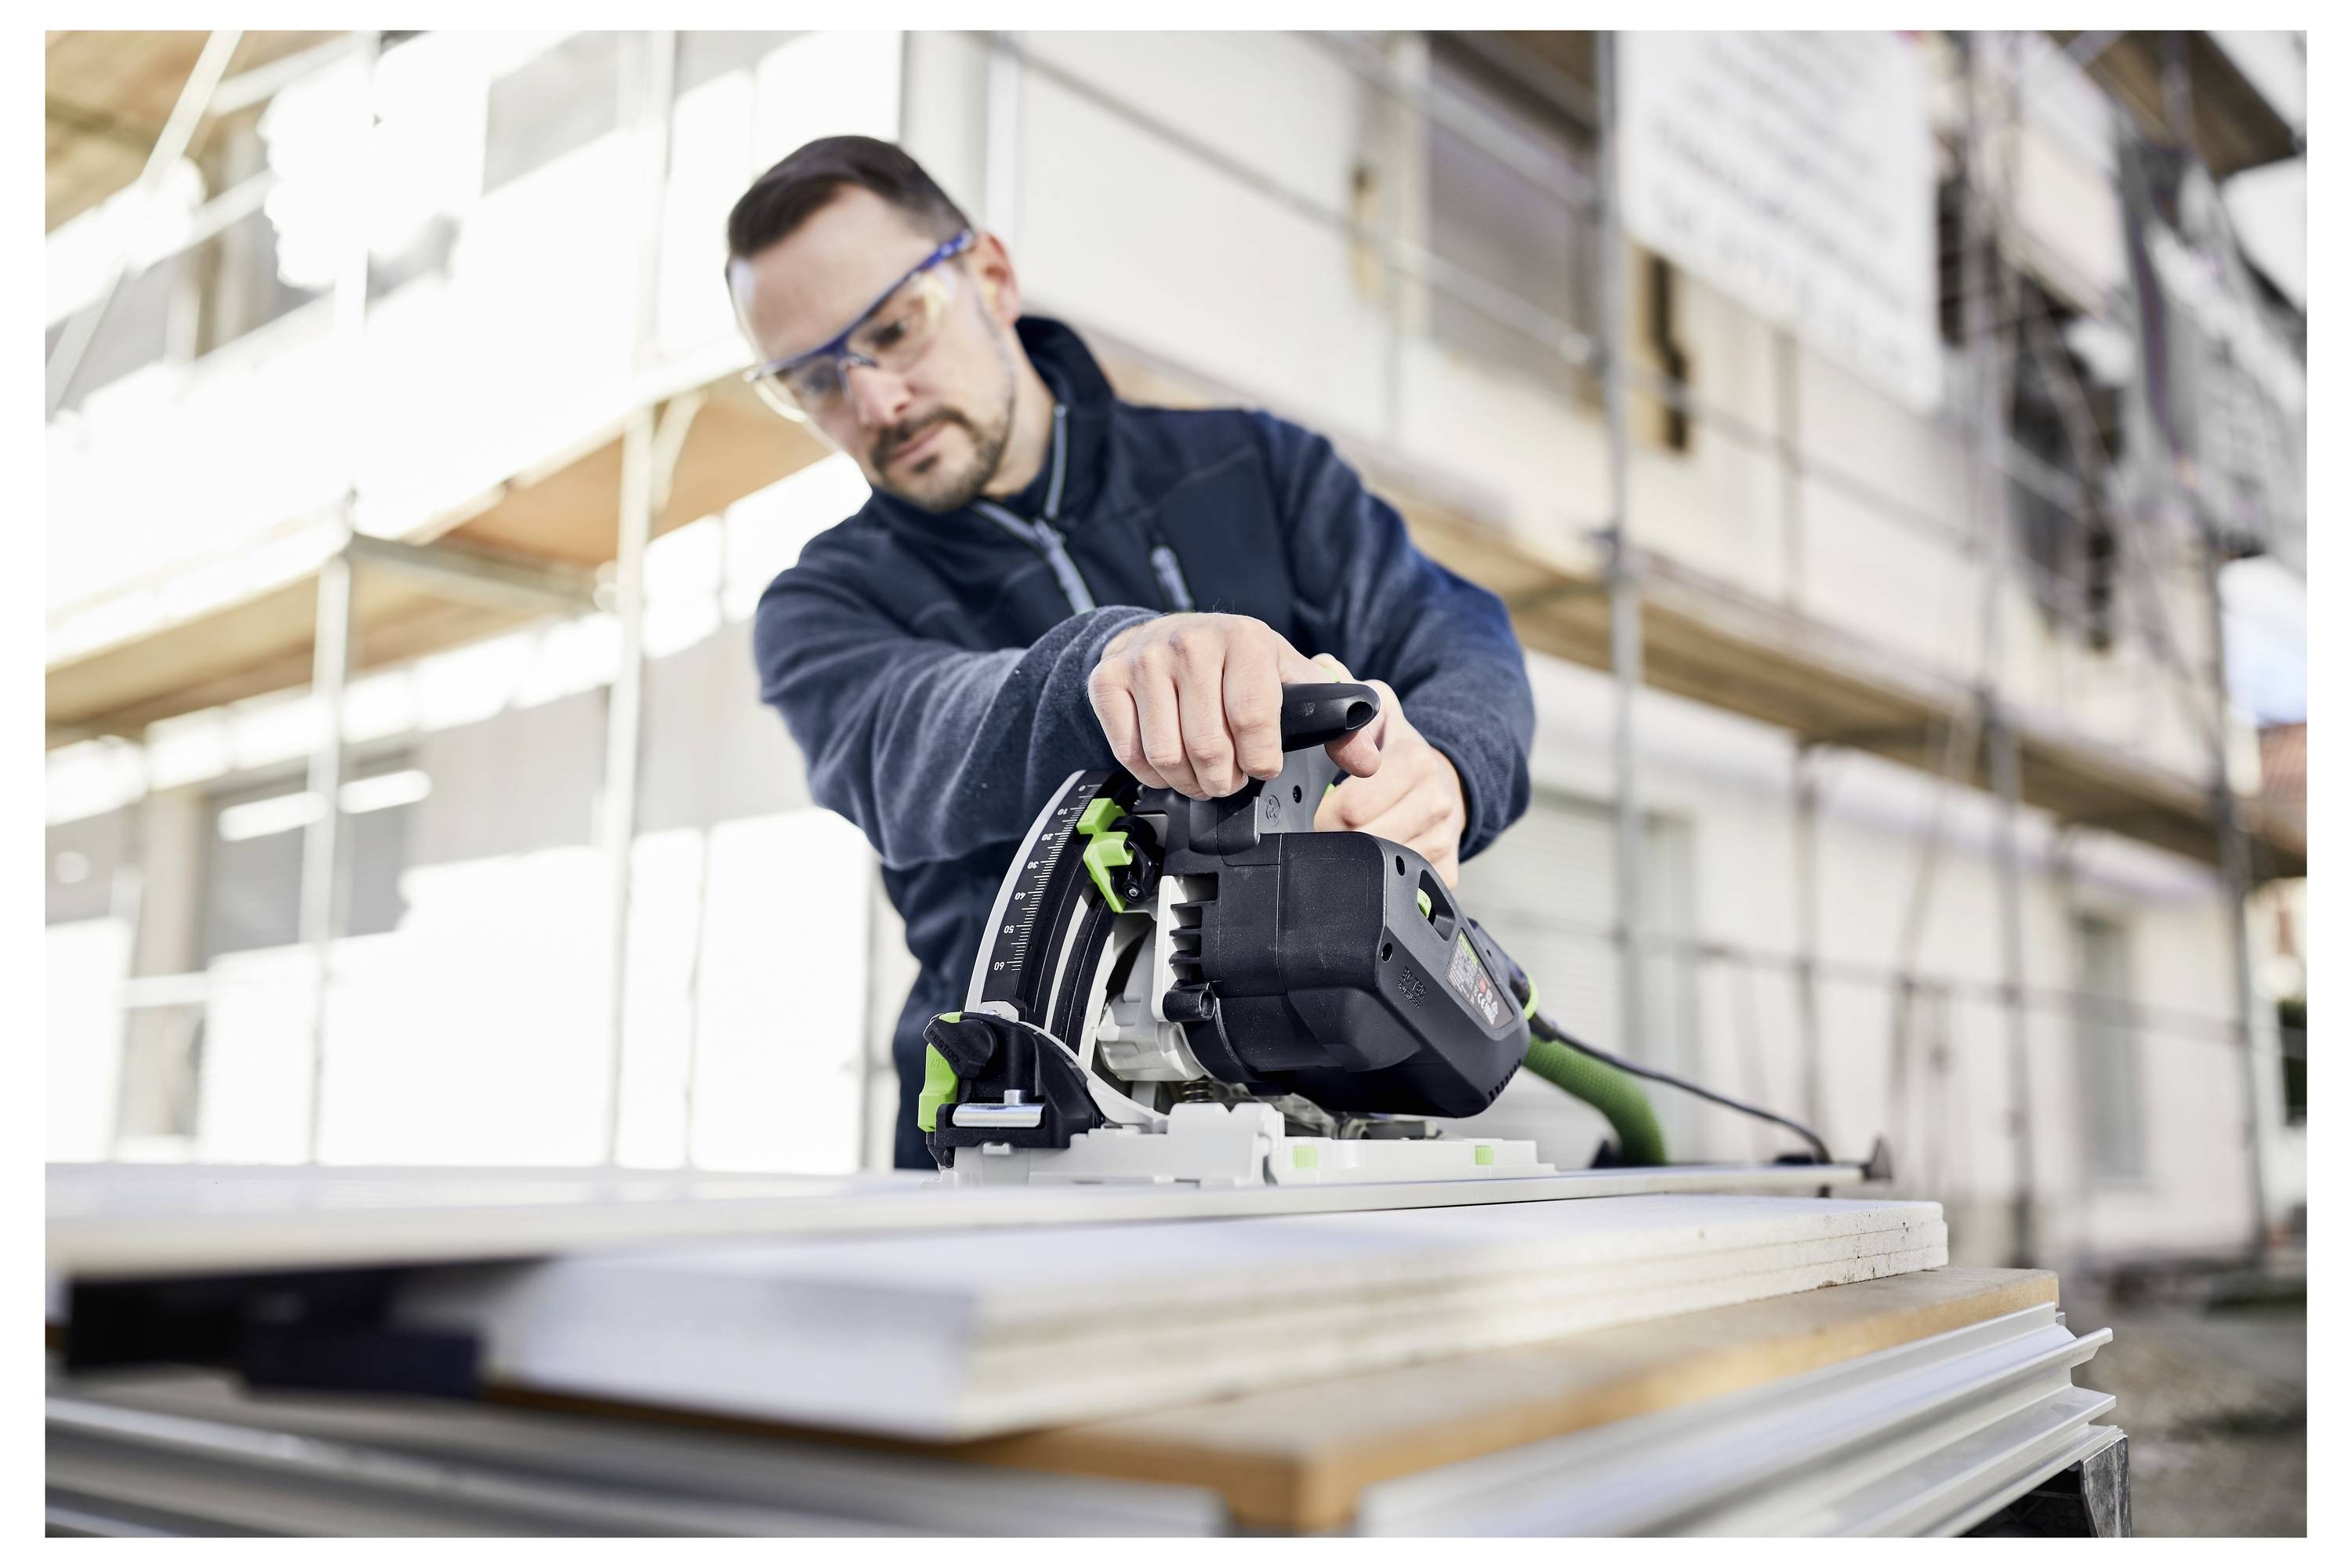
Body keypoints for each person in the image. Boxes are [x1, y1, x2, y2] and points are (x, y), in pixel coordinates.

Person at [728, 136, 1535, 1168]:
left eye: (894, 328)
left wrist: (1448, 766)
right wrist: (1111, 664)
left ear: (990, 277)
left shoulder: (1261, 470)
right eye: (815, 382)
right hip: (1014, 1135)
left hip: (1336, 1121)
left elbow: (1462, 639)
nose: (875, 402)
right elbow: (902, 736)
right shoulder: (823, 603)